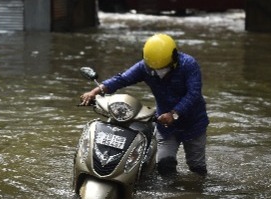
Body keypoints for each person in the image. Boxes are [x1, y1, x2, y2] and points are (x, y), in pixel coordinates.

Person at [80, 33, 210, 176]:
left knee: (196, 167)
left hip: (193, 123)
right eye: (153, 68)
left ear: (173, 59)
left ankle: (197, 194)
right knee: (164, 166)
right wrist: (95, 91)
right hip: (165, 125)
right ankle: (170, 196)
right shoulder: (145, 67)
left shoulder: (188, 65)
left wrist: (174, 113)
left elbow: (194, 93)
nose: (158, 72)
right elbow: (122, 79)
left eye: (163, 67)